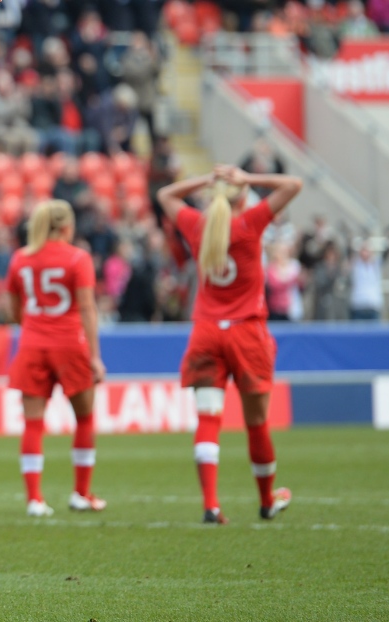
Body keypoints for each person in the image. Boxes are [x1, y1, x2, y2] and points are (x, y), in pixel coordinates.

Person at [157, 164, 303, 524]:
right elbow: (293, 184)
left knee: (208, 419)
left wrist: (207, 179)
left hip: (206, 331)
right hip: (247, 332)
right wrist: (247, 179)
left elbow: (165, 195)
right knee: (256, 423)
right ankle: (267, 500)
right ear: (242, 198)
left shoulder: (196, 225)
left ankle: (211, 505)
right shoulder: (249, 223)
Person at [5, 200, 106, 518]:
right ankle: (81, 493)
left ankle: (35, 500)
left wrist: (33, 328)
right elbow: (88, 309)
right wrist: (95, 356)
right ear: (66, 227)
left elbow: (13, 307)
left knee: (33, 423)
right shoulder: (78, 258)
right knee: (85, 419)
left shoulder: (21, 258)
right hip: (70, 345)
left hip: (33, 344)